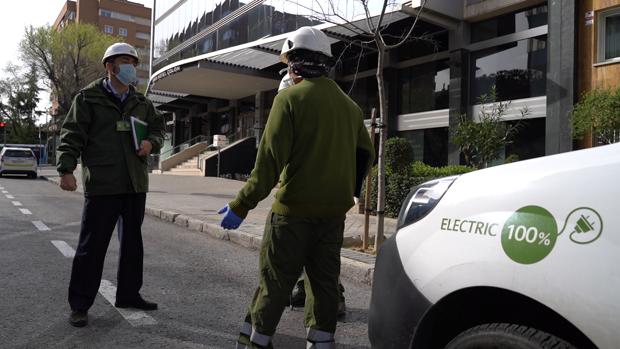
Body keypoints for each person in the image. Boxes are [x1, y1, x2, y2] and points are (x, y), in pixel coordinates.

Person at [218, 26, 374, 349]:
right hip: (333, 216)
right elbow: (366, 155)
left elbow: (268, 165)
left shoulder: (288, 99)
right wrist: (350, 190)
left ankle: (257, 342)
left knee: (274, 282)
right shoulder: (351, 108)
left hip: (292, 215)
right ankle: (321, 341)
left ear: (295, 64)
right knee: (325, 284)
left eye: (288, 62)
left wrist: (241, 204)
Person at [57, 42, 165, 328]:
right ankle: (80, 305)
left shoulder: (141, 102)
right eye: (124, 61)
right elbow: (71, 134)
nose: (130, 66)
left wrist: (150, 143)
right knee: (91, 248)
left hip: (134, 184)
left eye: (133, 61)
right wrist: (65, 169)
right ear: (109, 66)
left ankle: (129, 294)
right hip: (103, 185)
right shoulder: (88, 98)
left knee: (132, 245)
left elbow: (158, 128)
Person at [277, 72, 346, 318]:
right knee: (313, 253)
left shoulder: (317, 110)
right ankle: (307, 290)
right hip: (313, 198)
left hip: (316, 198)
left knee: (319, 256)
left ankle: (331, 296)